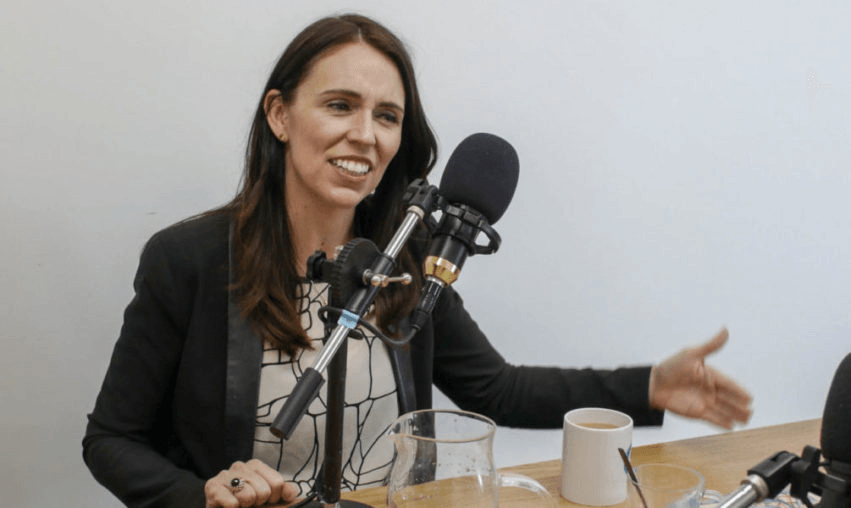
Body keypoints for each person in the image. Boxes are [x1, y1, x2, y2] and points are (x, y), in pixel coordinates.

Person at [82, 13, 753, 508]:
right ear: (280, 116)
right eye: (339, 105)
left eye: (386, 116)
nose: (363, 135)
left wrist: (646, 387)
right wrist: (205, 493)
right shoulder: (189, 261)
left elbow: (495, 388)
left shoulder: (404, 255)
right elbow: (112, 439)